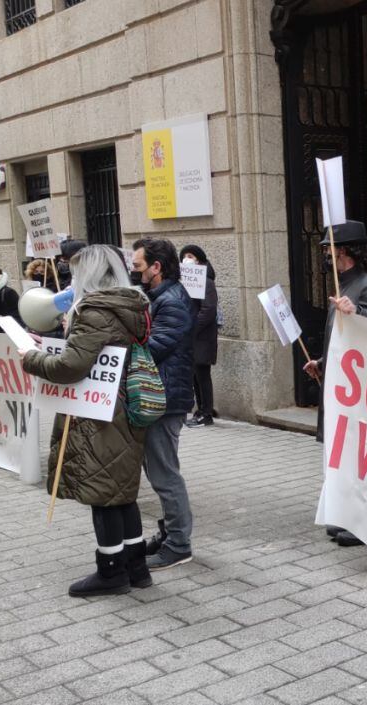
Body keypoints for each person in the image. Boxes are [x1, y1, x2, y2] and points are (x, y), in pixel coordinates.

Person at [19, 245, 152, 597]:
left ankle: (111, 573)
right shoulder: (128, 305)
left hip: (100, 416)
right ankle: (137, 568)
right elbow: (88, 354)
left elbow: (72, 367)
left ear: (89, 274)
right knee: (121, 491)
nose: (71, 280)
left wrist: (31, 358)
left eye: (76, 273)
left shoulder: (95, 310)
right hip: (122, 409)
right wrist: (48, 343)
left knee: (102, 493)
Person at [302, 220, 367, 547]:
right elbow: (341, 341)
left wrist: (356, 311)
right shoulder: (343, 285)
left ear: (346, 251)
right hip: (339, 384)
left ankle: (364, 521)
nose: (325, 253)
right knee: (342, 452)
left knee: (359, 454)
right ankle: (345, 513)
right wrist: (322, 363)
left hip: (359, 389)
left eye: (329, 248)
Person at [132, 238, 195, 570]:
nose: (135, 272)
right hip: (161, 395)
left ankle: (179, 543)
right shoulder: (161, 297)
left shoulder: (171, 302)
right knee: (158, 470)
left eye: (139, 267)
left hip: (166, 399)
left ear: (157, 267)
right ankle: (170, 533)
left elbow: (152, 349)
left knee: (164, 474)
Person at [179, 245, 219, 427]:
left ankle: (207, 413)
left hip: (202, 337)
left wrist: (191, 327)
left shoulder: (207, 281)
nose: (187, 259)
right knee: (195, 375)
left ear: (199, 259)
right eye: (184, 256)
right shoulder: (187, 282)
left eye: (190, 256)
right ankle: (200, 409)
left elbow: (208, 310)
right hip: (192, 337)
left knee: (203, 375)